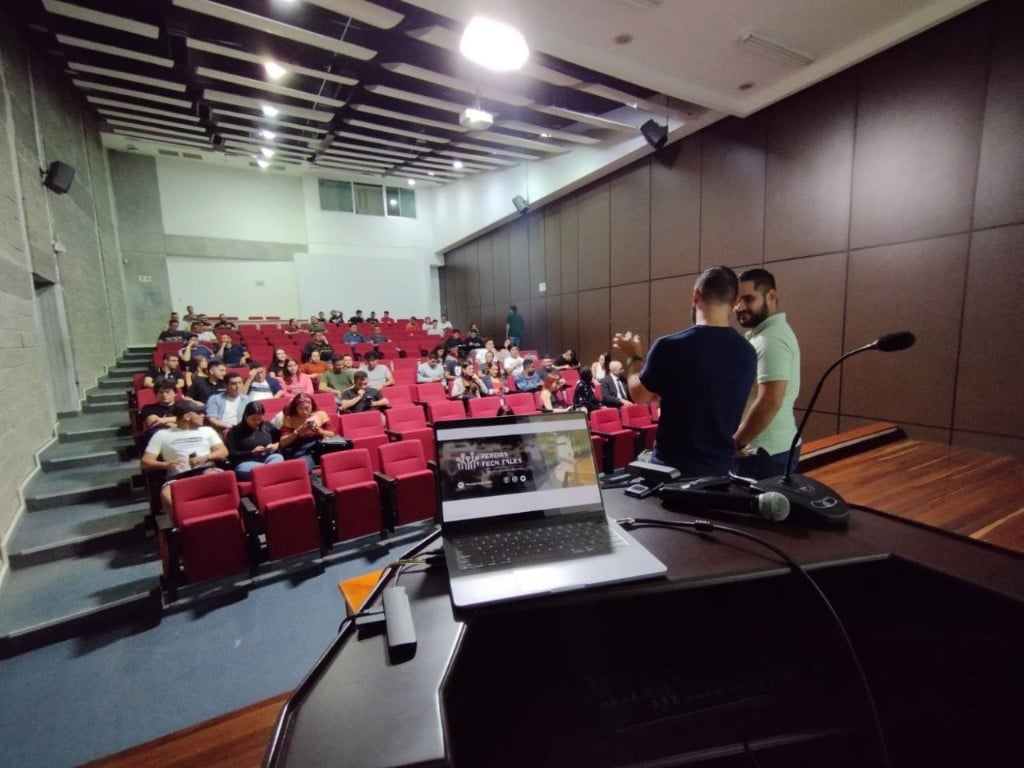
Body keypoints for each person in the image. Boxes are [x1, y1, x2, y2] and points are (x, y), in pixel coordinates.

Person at [613, 265, 756, 477]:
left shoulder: (670, 346)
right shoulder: (748, 353)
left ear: (695, 296)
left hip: (672, 472)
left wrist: (634, 358)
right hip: (721, 471)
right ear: (735, 302)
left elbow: (638, 395)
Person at [732, 268, 801, 479]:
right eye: (736, 301)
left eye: (748, 299)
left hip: (763, 454)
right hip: (767, 451)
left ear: (771, 296)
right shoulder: (765, 335)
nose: (740, 307)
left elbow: (769, 401)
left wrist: (735, 443)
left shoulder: (771, 340)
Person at [139, 400, 228, 516]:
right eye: (198, 413)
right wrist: (165, 464)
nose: (203, 416)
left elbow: (223, 451)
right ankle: (181, 528)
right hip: (177, 477)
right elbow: (145, 462)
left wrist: (206, 457)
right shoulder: (162, 435)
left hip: (205, 470)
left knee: (220, 479)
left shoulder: (207, 431)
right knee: (167, 494)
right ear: (187, 416)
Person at [272, 392, 335, 469]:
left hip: (321, 447)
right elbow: (283, 442)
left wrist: (319, 431)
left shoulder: (321, 415)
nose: (304, 412)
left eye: (307, 408)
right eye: (300, 409)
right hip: (303, 449)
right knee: (304, 465)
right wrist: (297, 432)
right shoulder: (290, 419)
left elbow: (332, 434)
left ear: (312, 405)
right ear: (295, 408)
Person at [224, 401, 284, 480]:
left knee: (278, 457)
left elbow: (281, 440)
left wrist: (275, 445)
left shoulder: (267, 427)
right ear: (246, 417)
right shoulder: (235, 431)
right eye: (253, 419)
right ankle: (271, 474)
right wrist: (251, 452)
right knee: (262, 470)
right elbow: (231, 454)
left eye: (259, 419)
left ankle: (269, 474)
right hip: (246, 462)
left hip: (266, 458)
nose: (257, 422)